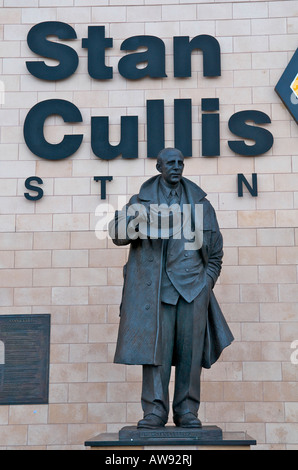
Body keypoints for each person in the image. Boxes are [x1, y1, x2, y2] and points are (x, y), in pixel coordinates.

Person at [109, 147, 233, 429]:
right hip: (156, 291)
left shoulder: (201, 204)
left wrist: (206, 284)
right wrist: (136, 221)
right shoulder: (140, 201)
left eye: (180, 163)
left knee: (190, 353)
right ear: (159, 167)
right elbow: (117, 236)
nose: (176, 167)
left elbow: (215, 253)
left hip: (193, 289)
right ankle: (154, 411)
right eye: (170, 163)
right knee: (157, 354)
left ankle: (187, 410)